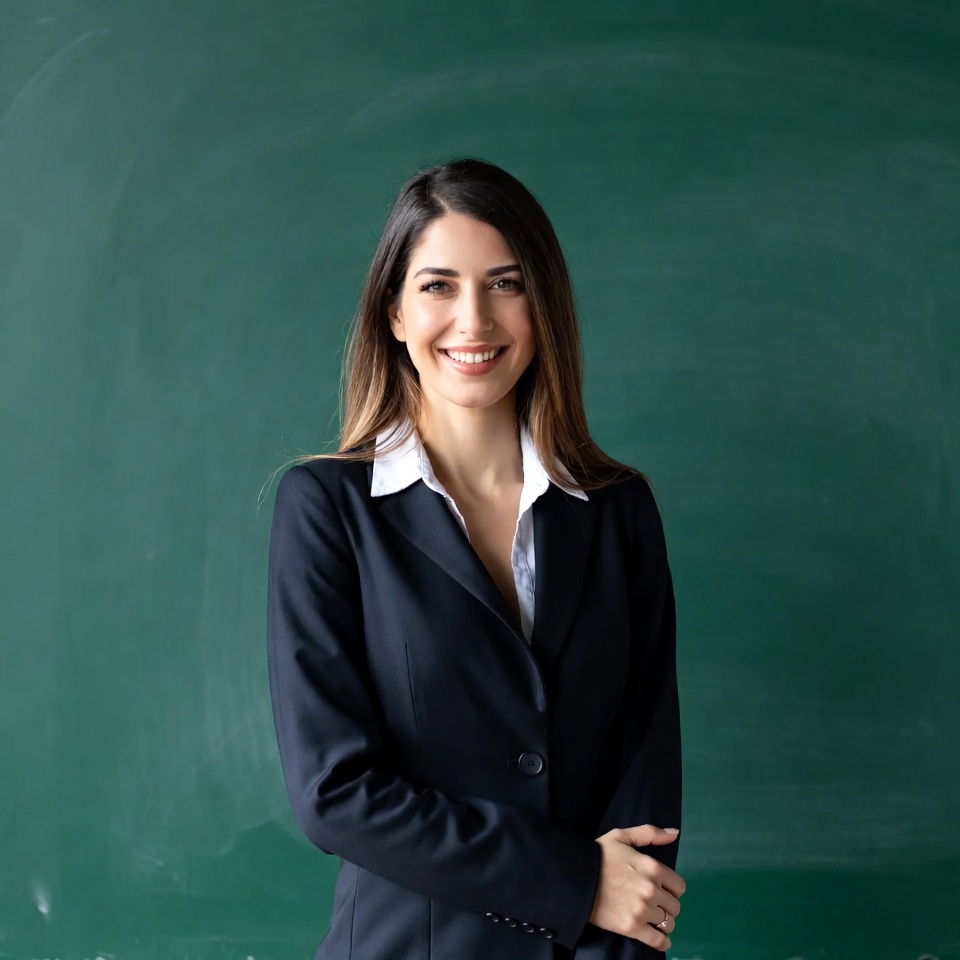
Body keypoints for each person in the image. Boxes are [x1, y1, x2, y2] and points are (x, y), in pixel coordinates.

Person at [266, 158, 684, 960]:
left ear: (543, 306)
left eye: (504, 283)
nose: (473, 321)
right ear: (392, 311)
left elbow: (647, 788)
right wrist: (571, 882)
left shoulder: (618, 510)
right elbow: (334, 793)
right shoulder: (326, 510)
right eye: (438, 286)